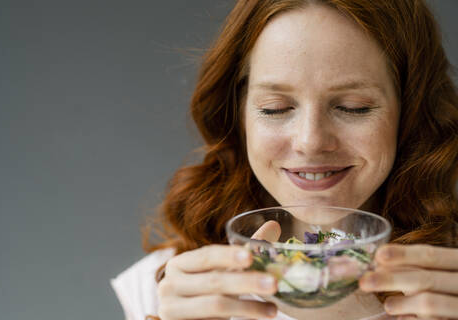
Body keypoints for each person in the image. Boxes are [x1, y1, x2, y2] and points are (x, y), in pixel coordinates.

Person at [111, 0, 458, 319]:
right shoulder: (168, 287)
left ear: (411, 114)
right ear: (240, 116)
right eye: (275, 109)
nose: (310, 141)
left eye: (353, 107)